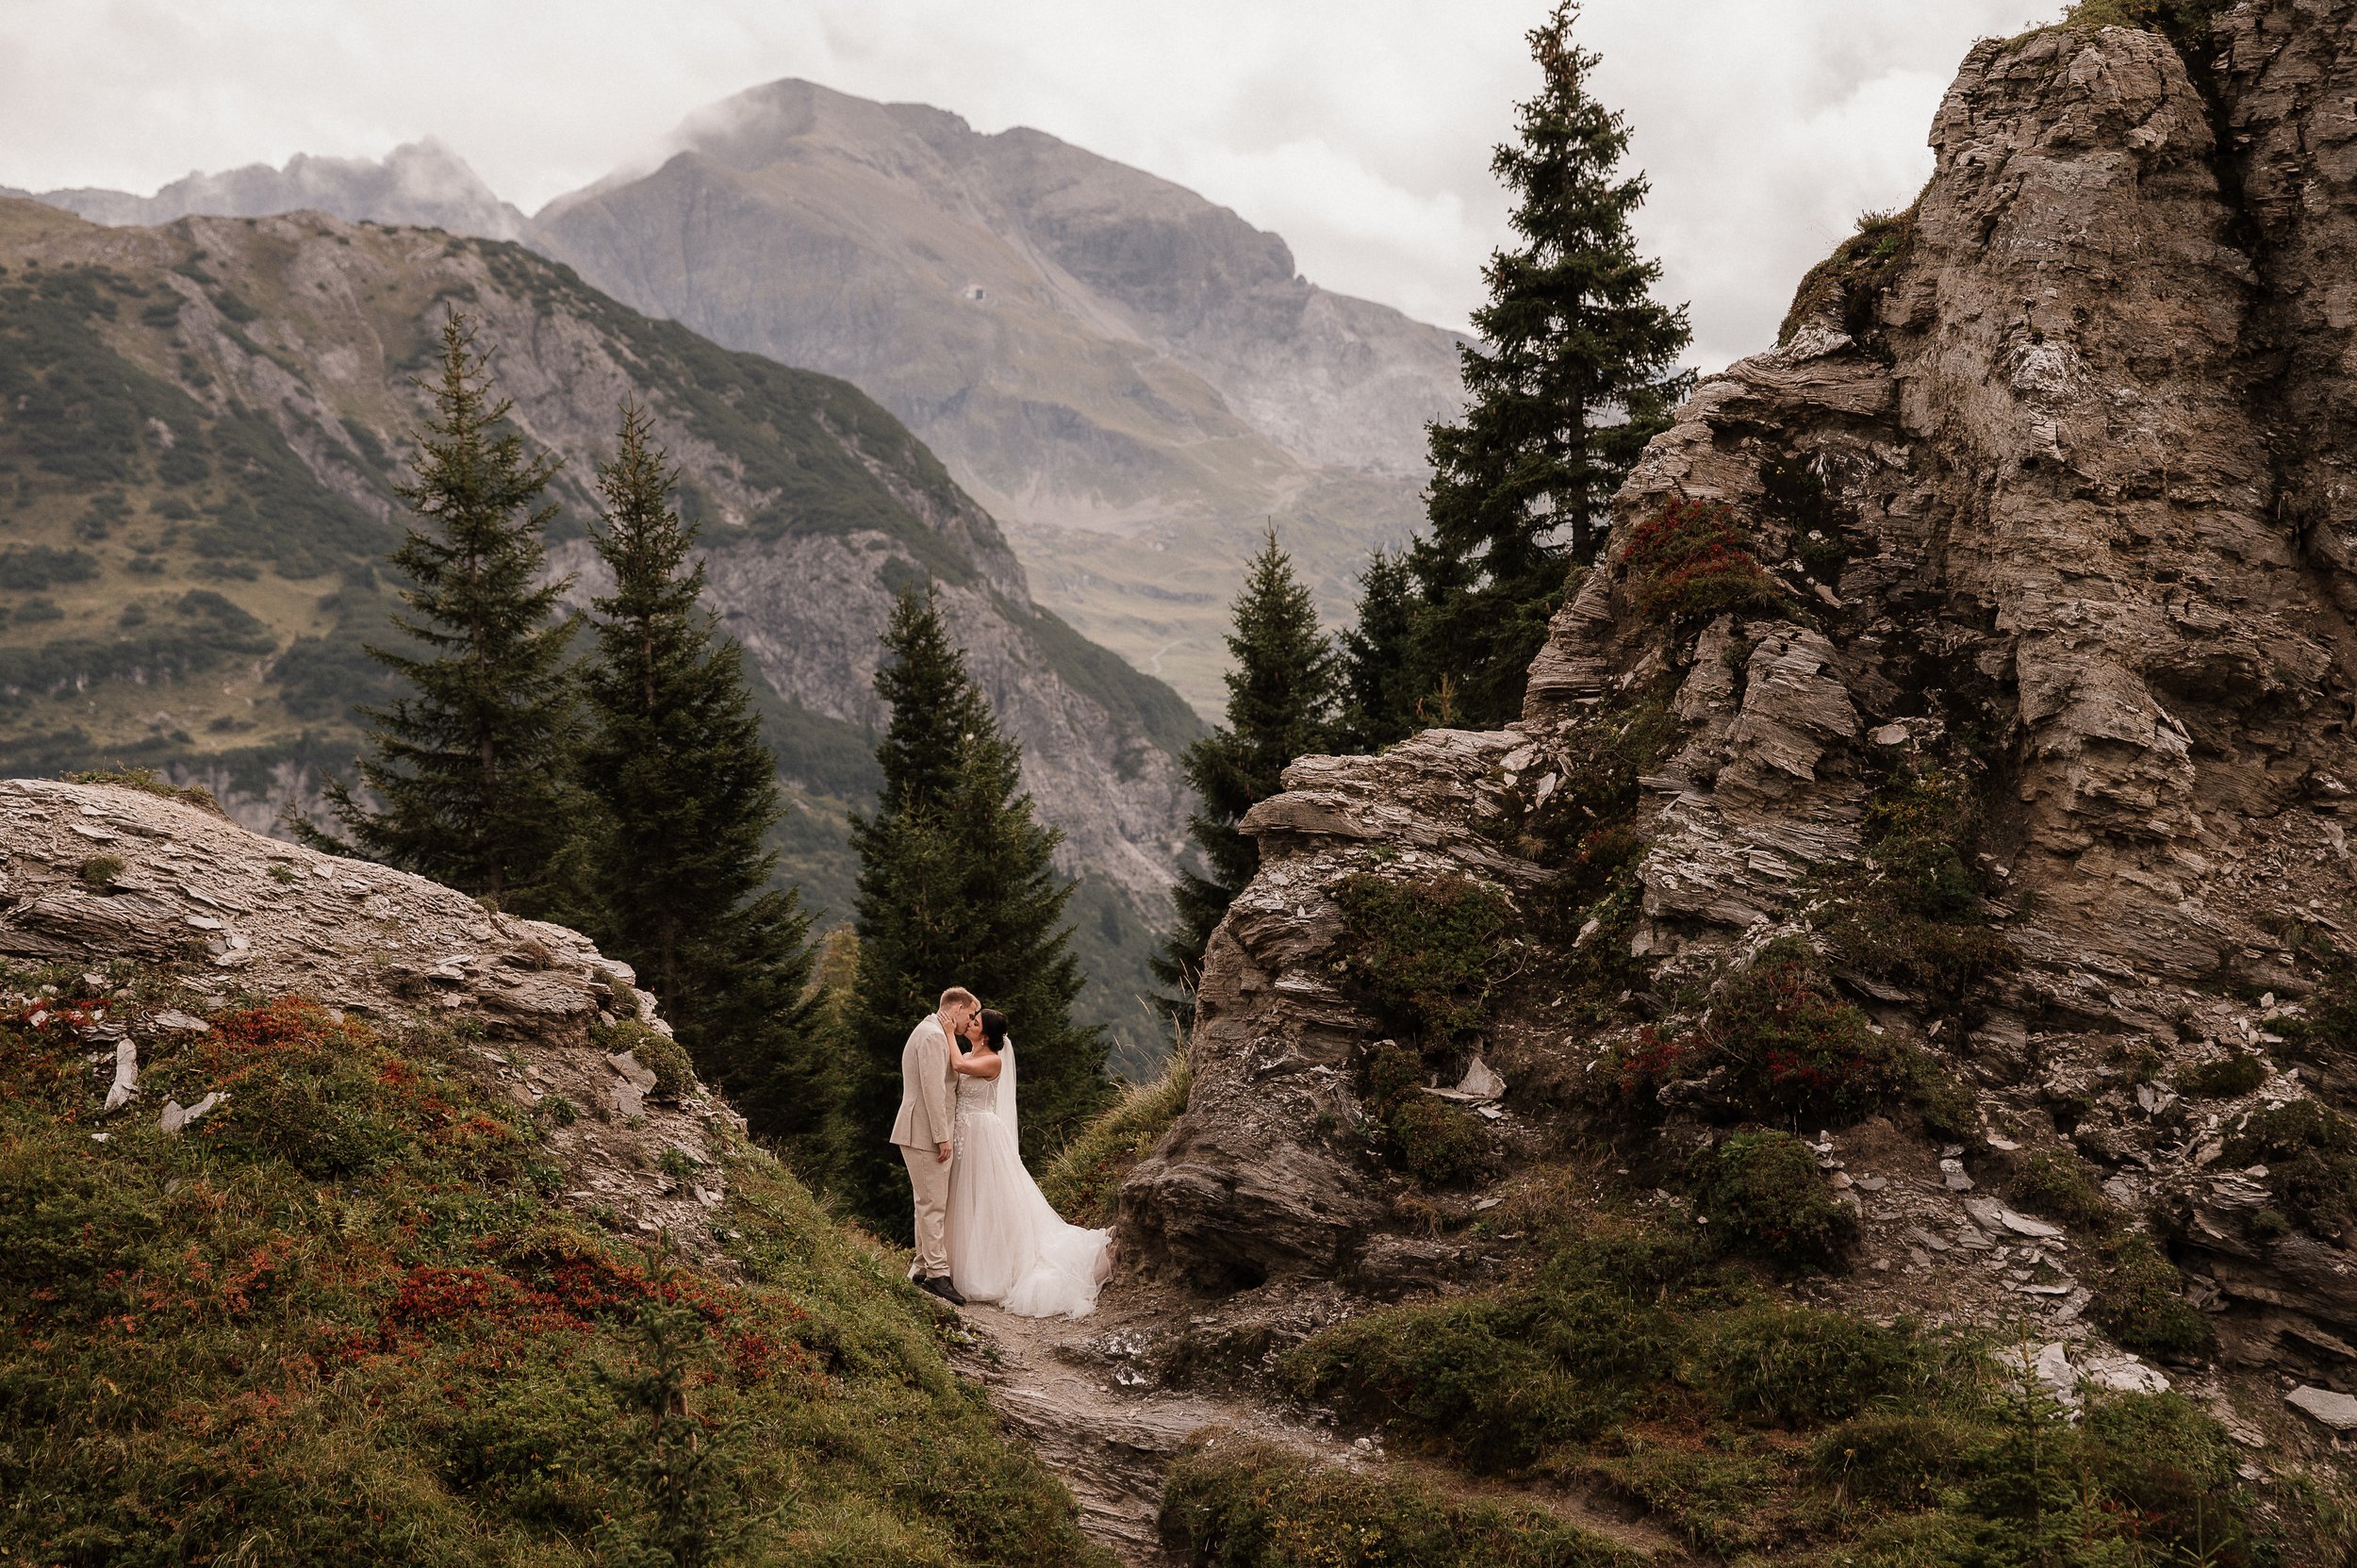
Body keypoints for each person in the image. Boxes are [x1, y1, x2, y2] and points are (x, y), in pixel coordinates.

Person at [943, 1006, 1114, 1317]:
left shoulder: (992, 1060)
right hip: (963, 1134)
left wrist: (946, 1033)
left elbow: (957, 1065)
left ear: (985, 1035)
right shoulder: (970, 1053)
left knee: (989, 1197)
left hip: (982, 1134)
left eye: (975, 1022)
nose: (969, 1023)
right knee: (968, 1198)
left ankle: (996, 1269)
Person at [889, 985, 976, 1306]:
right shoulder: (932, 1037)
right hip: (924, 1133)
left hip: (922, 1131)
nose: (970, 1022)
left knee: (925, 1202)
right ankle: (938, 1275)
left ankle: (922, 1267)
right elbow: (933, 1091)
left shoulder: (932, 1032)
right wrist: (942, 1136)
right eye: (970, 1015)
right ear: (957, 1009)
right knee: (933, 1204)